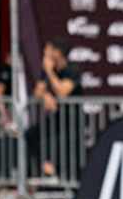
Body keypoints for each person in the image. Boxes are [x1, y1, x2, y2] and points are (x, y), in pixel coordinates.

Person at [24, 37, 81, 182]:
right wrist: (46, 94)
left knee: (65, 148)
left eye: (49, 51)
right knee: (31, 135)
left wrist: (50, 72)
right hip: (58, 116)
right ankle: (42, 168)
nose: (45, 54)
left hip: (73, 119)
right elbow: (37, 92)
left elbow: (62, 92)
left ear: (58, 53)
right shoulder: (49, 70)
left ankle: (67, 179)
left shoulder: (72, 69)